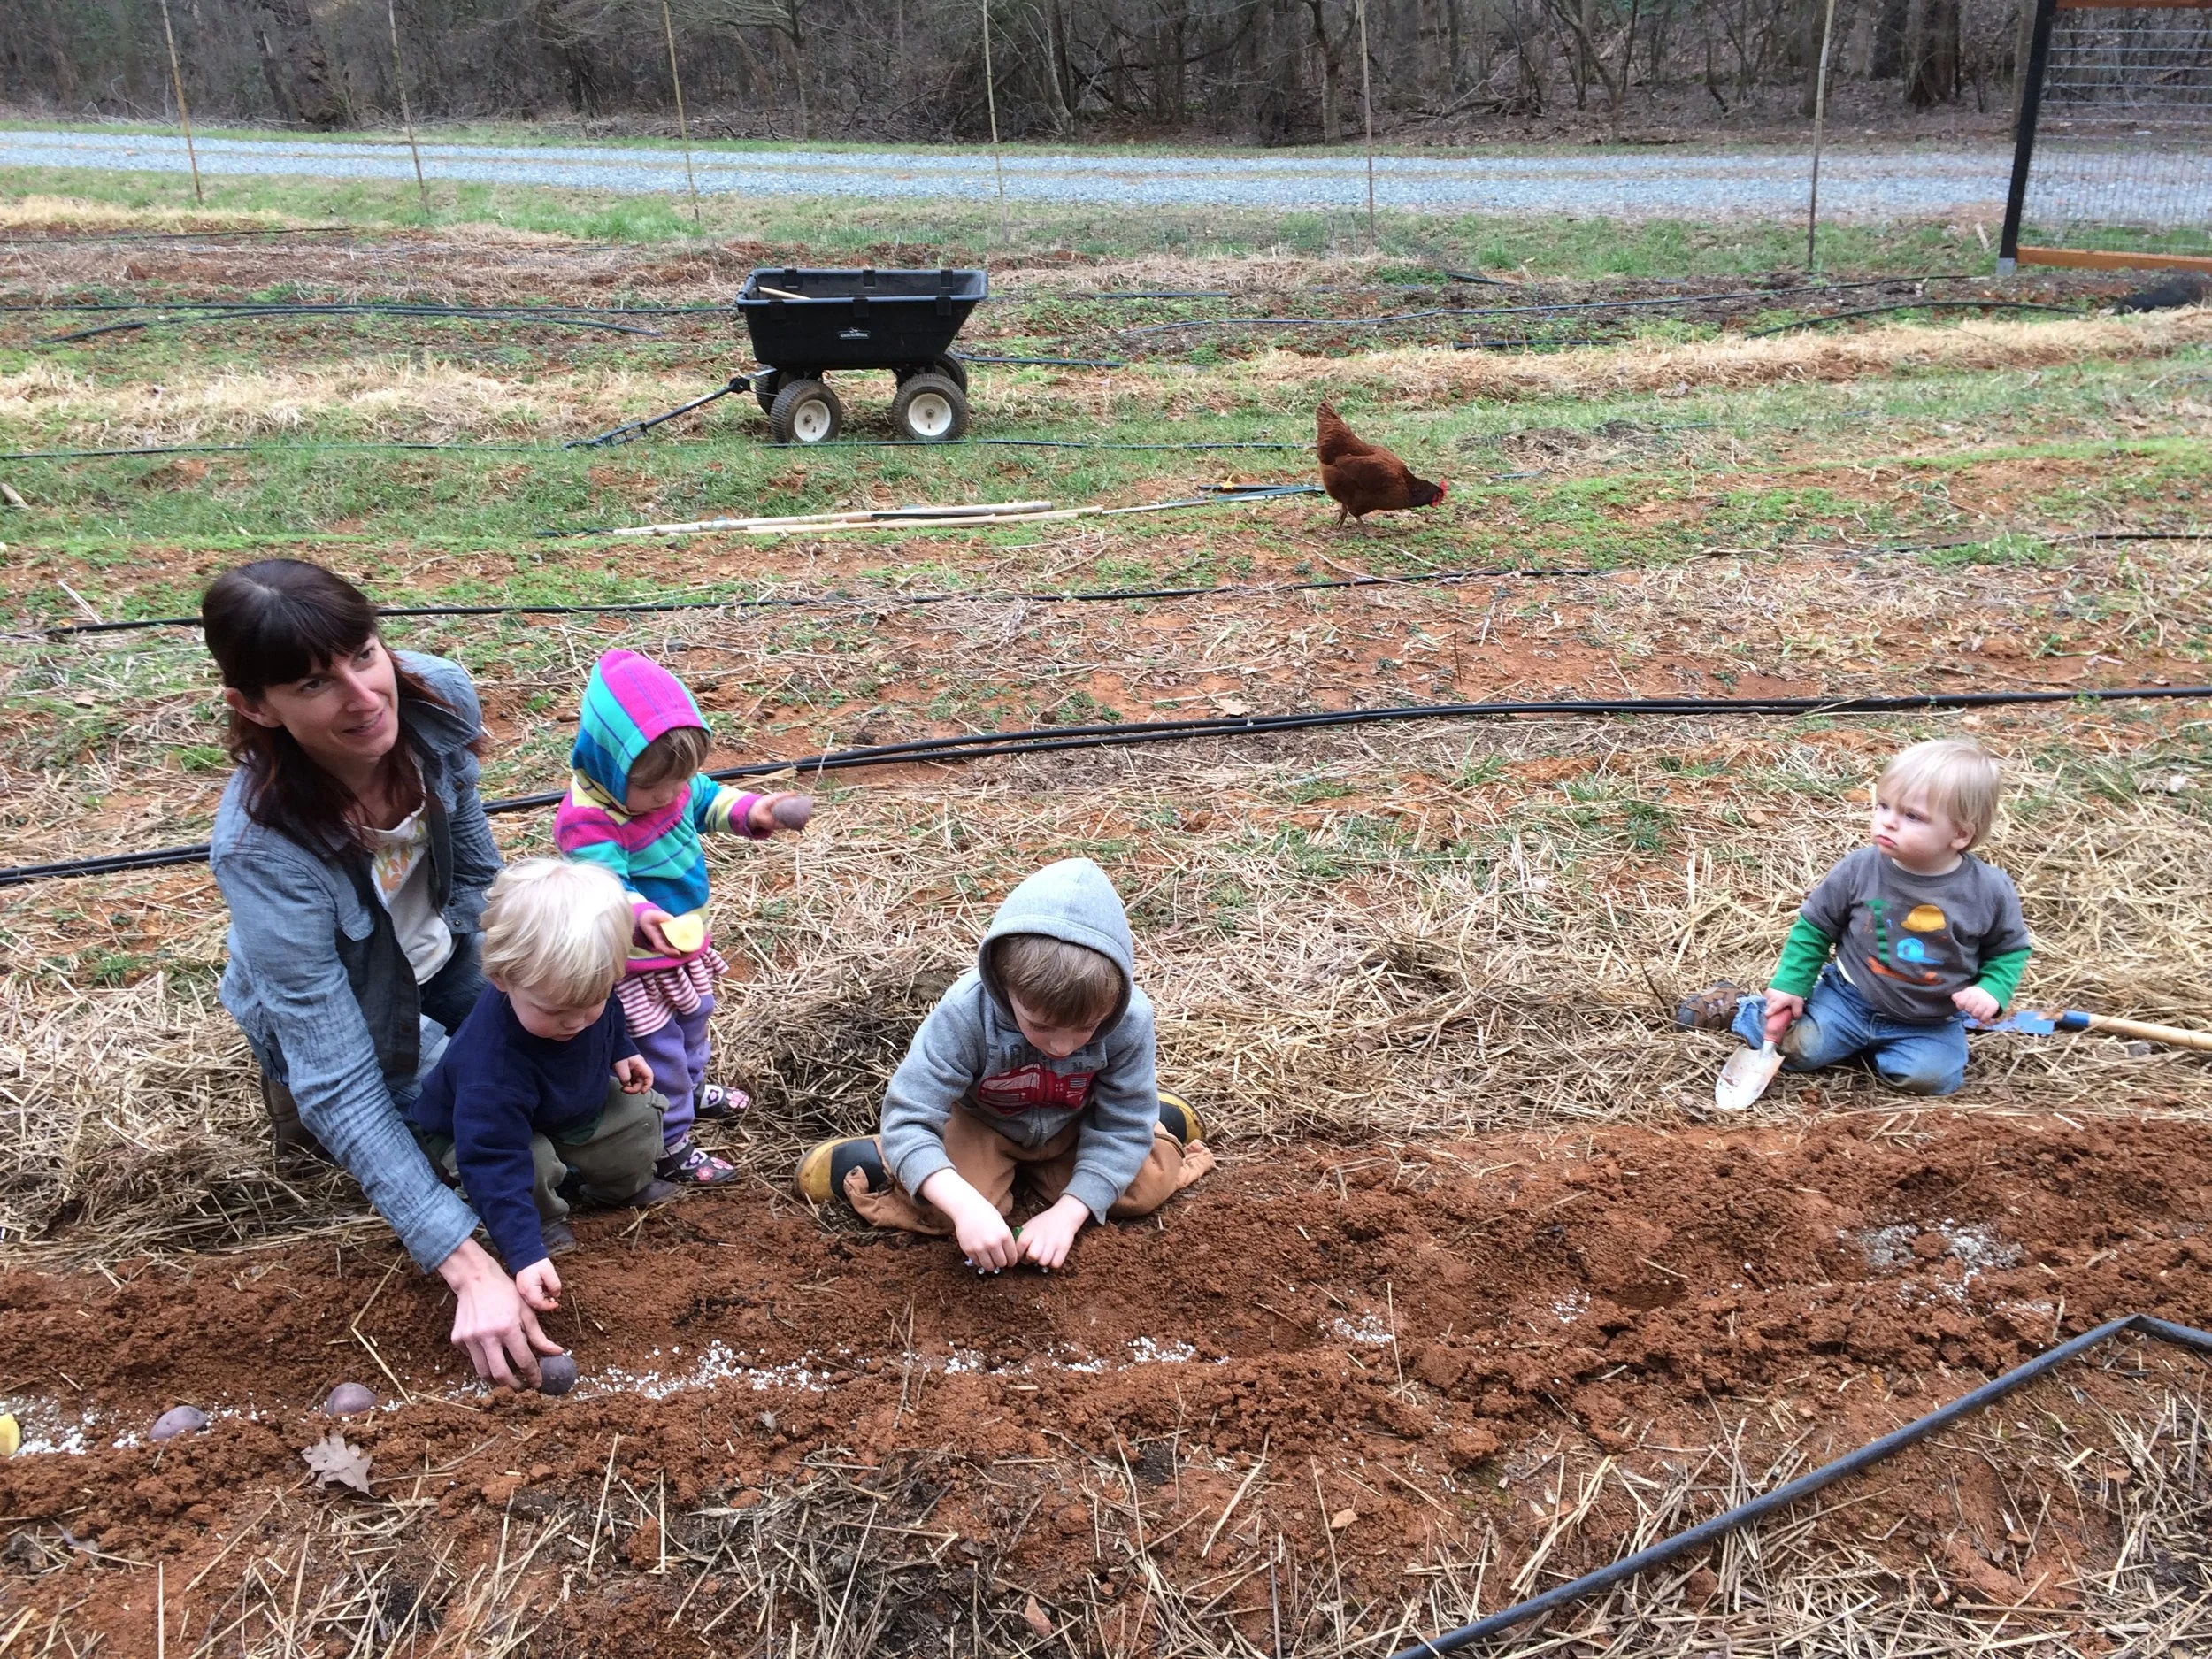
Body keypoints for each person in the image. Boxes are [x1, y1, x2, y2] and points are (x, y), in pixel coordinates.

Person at [204, 558, 559, 1387]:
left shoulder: (435, 703)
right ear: (256, 707)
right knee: (507, 1150)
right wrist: (469, 1267)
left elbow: (472, 874)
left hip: (434, 954)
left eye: (364, 654)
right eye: (313, 684)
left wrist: (536, 966)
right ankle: (292, 1099)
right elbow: (340, 1076)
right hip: (352, 999)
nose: (365, 697)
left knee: (558, 1079)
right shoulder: (261, 849)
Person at [795, 857, 1214, 1271]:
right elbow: (911, 1116)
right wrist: (965, 1207)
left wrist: (1069, 1214)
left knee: (1140, 1190)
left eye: (1088, 1027)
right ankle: (875, 1161)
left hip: (1074, 1123)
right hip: (982, 1125)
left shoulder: (1130, 1019)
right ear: (1002, 981)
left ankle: (1154, 1121)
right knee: (943, 1210)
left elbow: (1121, 1122)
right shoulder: (965, 1014)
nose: (1063, 1048)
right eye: (1041, 1025)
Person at [554, 649, 807, 1186]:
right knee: (658, 1051)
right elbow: (602, 885)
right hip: (637, 965)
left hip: (681, 949)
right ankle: (669, 1143)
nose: (671, 796)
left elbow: (708, 800)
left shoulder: (670, 788)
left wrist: (755, 811)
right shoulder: (588, 820)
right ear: (608, 764)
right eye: (653, 788)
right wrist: (640, 915)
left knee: (694, 1026)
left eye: (680, 781)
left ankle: (691, 1090)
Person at [1678, 739, 2032, 1096]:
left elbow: (2009, 950)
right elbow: (1815, 928)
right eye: (1883, 806)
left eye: (1911, 816)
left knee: (1933, 1080)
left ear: (1960, 834)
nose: (1887, 822)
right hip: (1849, 999)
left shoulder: (1988, 890)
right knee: (1801, 1052)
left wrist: (1991, 989)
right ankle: (1741, 1007)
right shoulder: (1859, 870)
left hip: (1930, 1020)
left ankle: (1871, 1047)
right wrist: (1792, 984)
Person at [409, 859, 678, 1312]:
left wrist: (621, 1049)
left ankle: (620, 1186)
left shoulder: (583, 991)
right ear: (500, 979)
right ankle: (540, 1224)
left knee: (637, 1117)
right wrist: (523, 1254)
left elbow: (607, 1013)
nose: (574, 1022)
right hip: (479, 1132)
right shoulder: (490, 1067)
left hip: (562, 1103)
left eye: (589, 1002)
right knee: (526, 1164)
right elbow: (491, 1157)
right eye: (553, 1011)